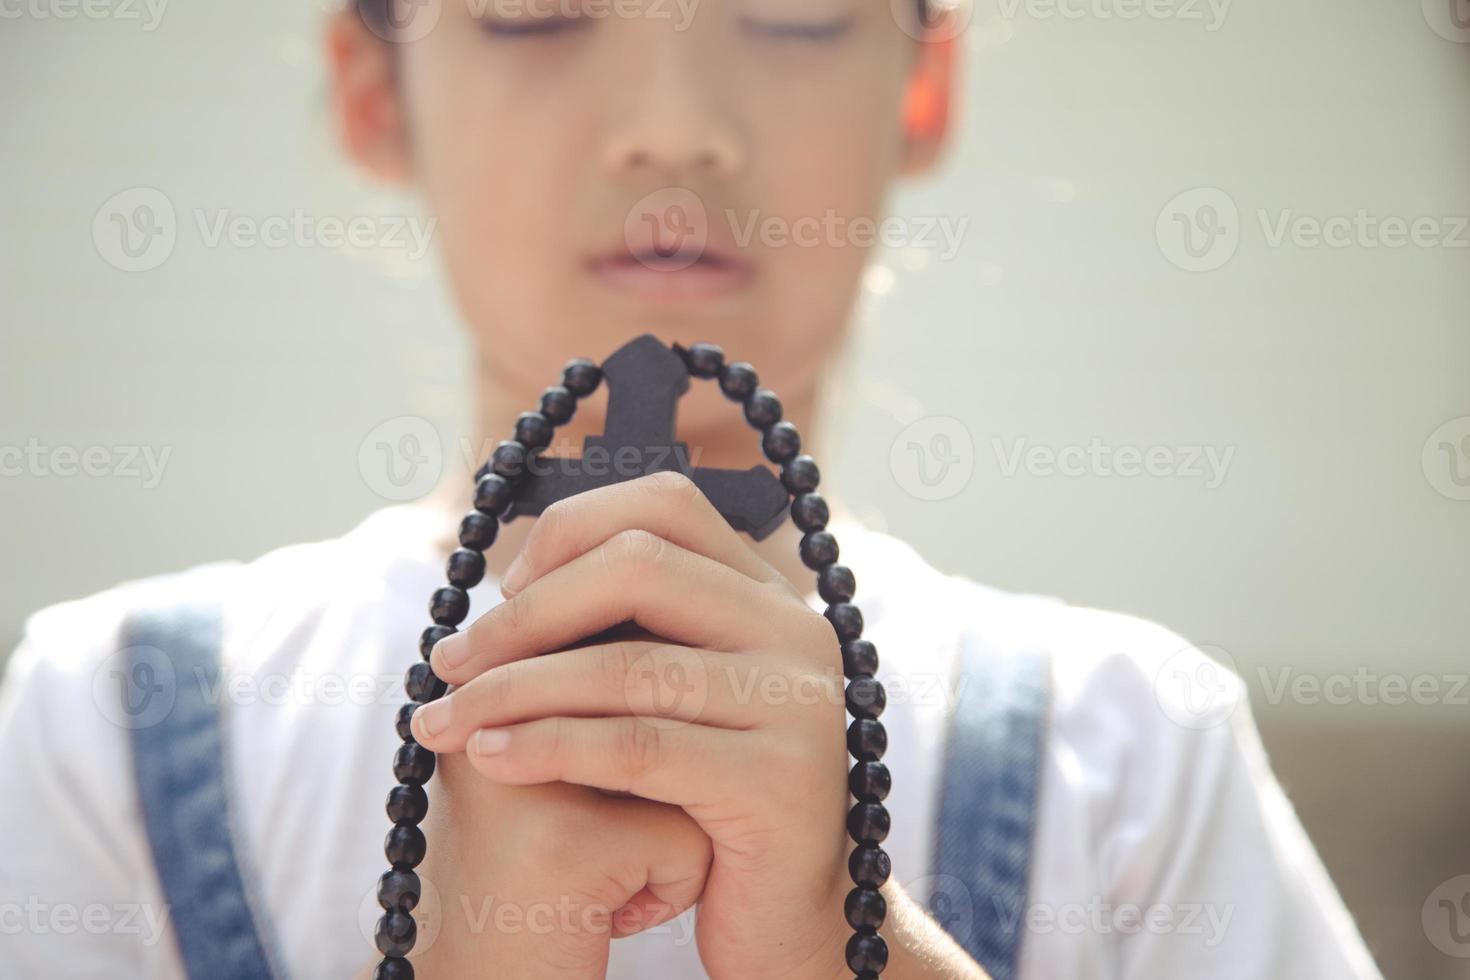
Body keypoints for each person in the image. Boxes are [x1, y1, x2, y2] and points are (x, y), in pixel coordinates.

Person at [0, 1, 1384, 978]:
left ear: (922, 84)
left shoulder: (1136, 753)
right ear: (374, 90)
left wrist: (847, 946)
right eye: (535, 16)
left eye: (787, 18)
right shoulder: (109, 725)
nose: (673, 132)